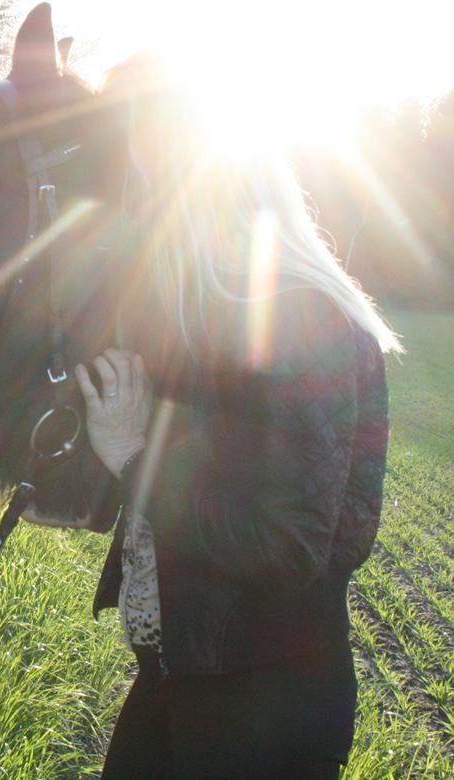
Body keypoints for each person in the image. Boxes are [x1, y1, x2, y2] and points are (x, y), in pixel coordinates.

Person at [68, 56, 401, 778]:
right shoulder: (213, 322)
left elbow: (288, 548)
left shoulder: (303, 320)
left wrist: (132, 458)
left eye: (141, 186)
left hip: (265, 708)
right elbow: (195, 481)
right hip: (184, 678)